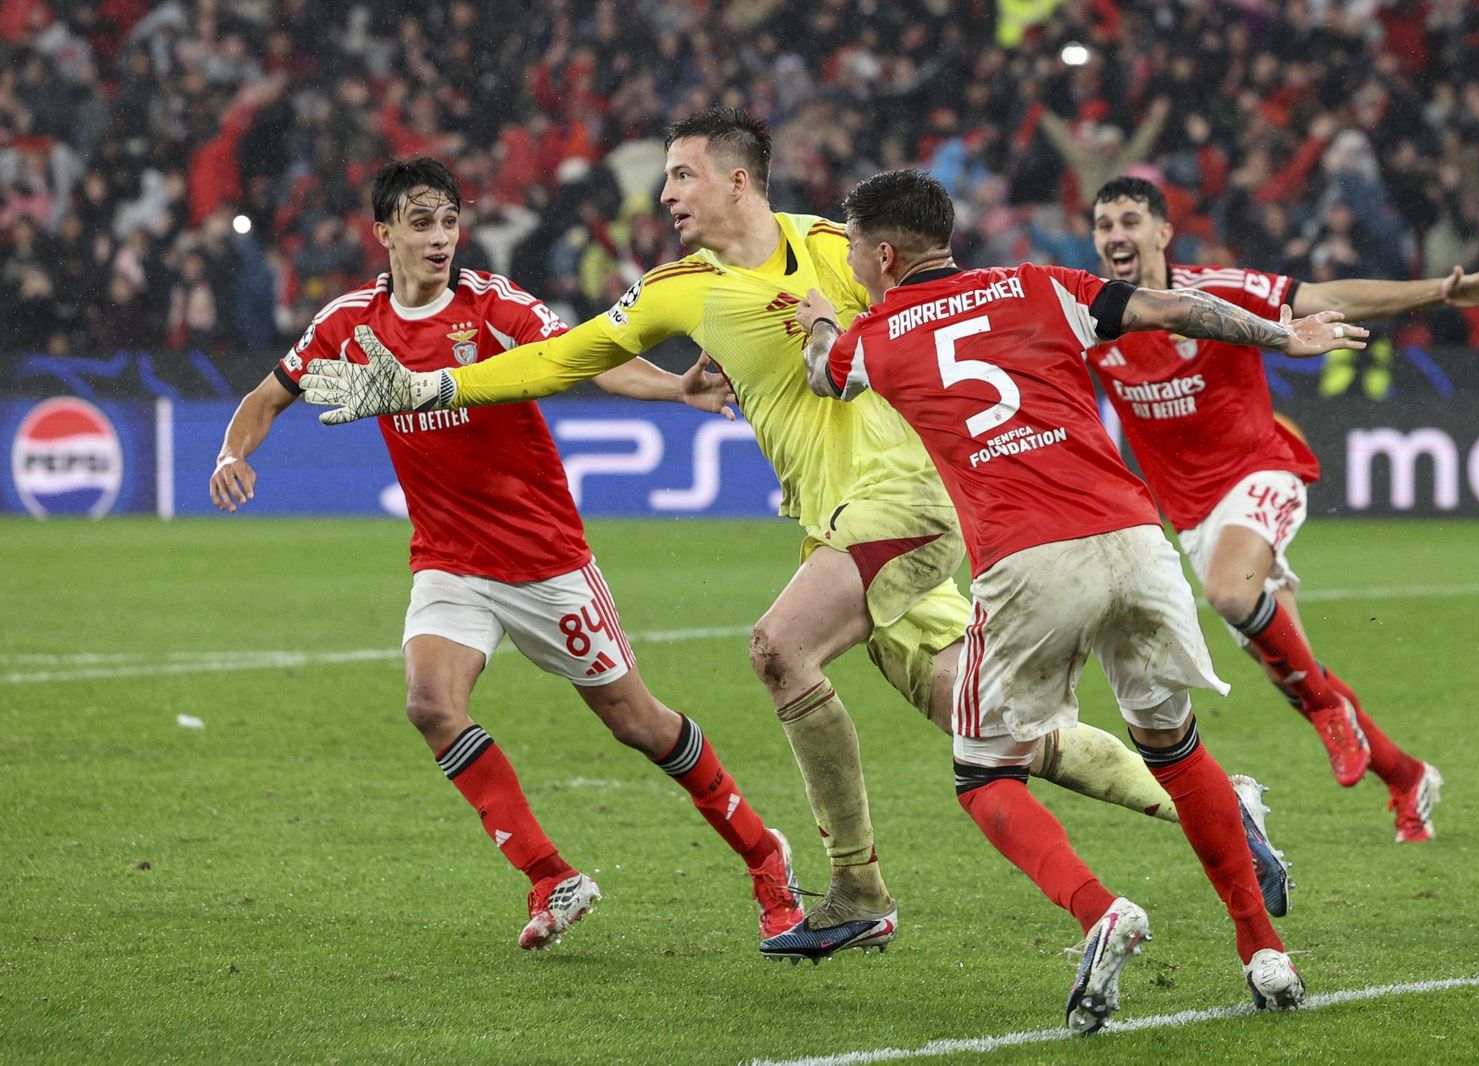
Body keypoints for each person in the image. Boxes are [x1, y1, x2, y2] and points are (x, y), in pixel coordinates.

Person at [295, 110, 1291, 962]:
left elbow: (952, 312)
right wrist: (428, 385)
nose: (668, 192)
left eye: (682, 174)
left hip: (907, 498)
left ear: (737, 179)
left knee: (780, 646)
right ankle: (1217, 804)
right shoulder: (678, 287)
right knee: (985, 726)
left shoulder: (838, 247)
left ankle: (855, 892)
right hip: (837, 521)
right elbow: (560, 357)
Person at [793, 169, 1363, 1030]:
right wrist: (1284, 336)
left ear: (882, 253)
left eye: (856, 252)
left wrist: (823, 318)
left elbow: (820, 374)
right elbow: (1173, 311)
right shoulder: (1041, 283)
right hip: (1137, 542)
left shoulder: (874, 336)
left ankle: (1103, 911)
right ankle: (1264, 953)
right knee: (1173, 748)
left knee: (985, 774)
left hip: (1028, 560)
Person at [208, 156, 804, 951]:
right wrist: (230, 454)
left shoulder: (494, 308)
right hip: (449, 561)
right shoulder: (349, 322)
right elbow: (266, 396)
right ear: (382, 232)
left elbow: (588, 357)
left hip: (544, 560)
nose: (440, 237)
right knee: (430, 705)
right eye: (421, 223)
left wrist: (674, 388)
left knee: (639, 724)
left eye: (450, 221)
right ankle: (551, 877)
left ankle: (765, 856)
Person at [1088, 177, 1479, 840]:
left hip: (1263, 470)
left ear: (1162, 234)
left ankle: (1328, 713)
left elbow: (1325, 298)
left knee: (1231, 596)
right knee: (1292, 667)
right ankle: (1406, 776)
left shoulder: (1218, 291)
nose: (1116, 235)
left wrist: (1437, 292)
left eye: (1128, 221)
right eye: (1104, 224)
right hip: (1195, 519)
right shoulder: (1090, 315)